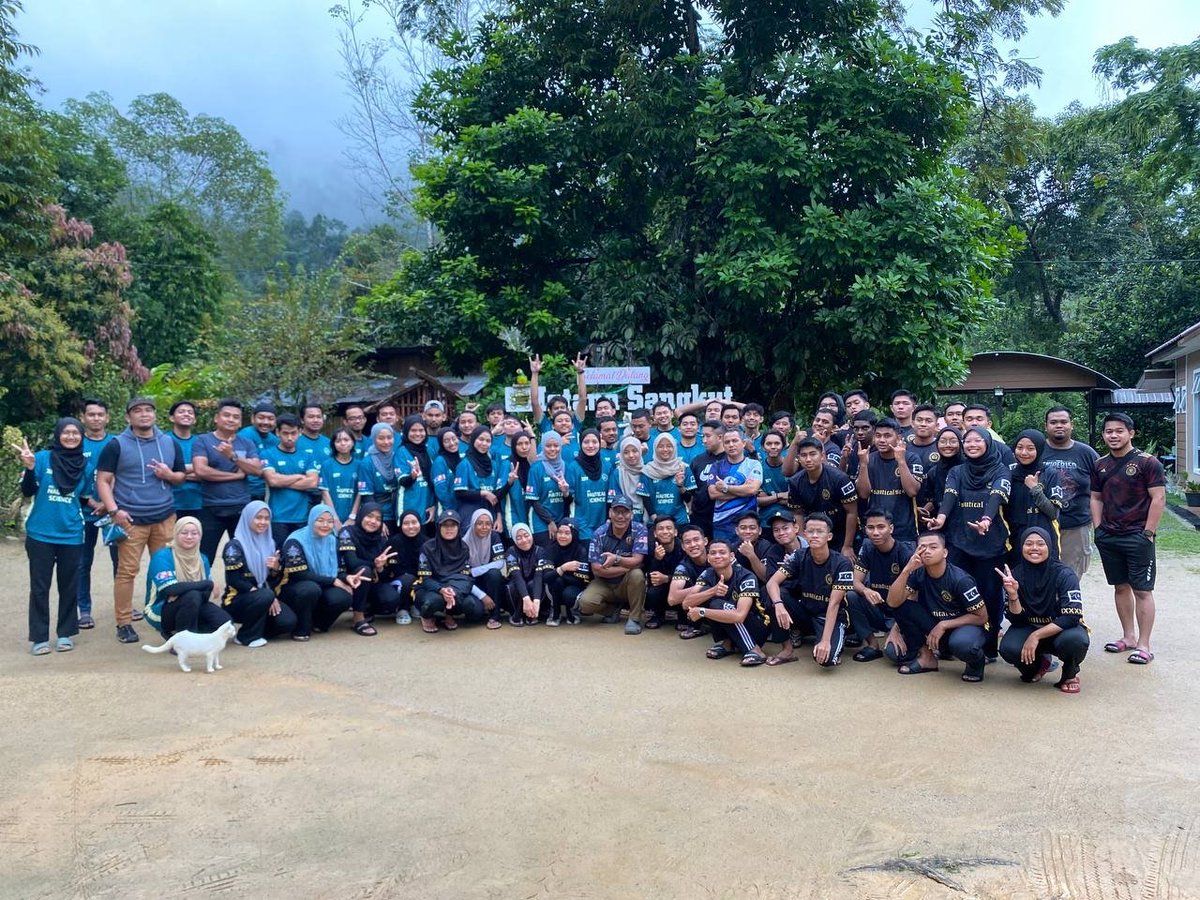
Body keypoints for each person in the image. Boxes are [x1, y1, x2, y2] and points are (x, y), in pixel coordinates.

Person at [95, 397, 186, 644]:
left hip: (165, 517)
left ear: (155, 415)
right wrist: (115, 511)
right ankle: (123, 623)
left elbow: (180, 476)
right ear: (128, 417)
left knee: (167, 571)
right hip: (131, 519)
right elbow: (103, 480)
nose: (144, 414)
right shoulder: (116, 445)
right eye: (137, 411)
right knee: (127, 572)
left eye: (148, 410)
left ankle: (166, 618)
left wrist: (170, 475)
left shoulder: (169, 442)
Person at [925, 427, 1010, 660]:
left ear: (988, 443)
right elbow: (950, 495)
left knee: (990, 597)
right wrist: (941, 518)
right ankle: (948, 644)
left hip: (990, 546)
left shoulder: (1000, 469)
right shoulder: (957, 470)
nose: (972, 445)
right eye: (968, 441)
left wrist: (986, 519)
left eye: (977, 441)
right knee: (953, 594)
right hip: (959, 542)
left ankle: (989, 648)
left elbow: (997, 495)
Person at [1092, 412, 1166, 665]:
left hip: (1138, 536)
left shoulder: (1148, 463)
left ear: (1131, 433)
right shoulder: (1100, 464)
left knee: (1142, 590)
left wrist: (1148, 532)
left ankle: (1144, 645)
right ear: (1104, 435)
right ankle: (1128, 637)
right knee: (1120, 587)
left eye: (1119, 431)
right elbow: (1096, 498)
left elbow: (1158, 498)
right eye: (1109, 431)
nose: (1113, 435)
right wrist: (1098, 528)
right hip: (1108, 536)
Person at [16, 419, 88, 654]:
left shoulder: (84, 465)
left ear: (81, 436)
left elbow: (85, 498)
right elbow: (27, 491)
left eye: (75, 433)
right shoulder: (42, 458)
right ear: (58, 435)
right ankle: (39, 638)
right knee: (39, 587)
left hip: (72, 534)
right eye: (65, 433)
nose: (70, 437)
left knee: (69, 586)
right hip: (40, 534)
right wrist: (28, 467)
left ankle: (65, 633)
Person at [886, 531, 988, 682]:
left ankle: (976, 662)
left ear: (945, 552)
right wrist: (907, 570)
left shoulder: (960, 580)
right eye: (922, 548)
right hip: (934, 627)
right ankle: (927, 657)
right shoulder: (917, 572)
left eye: (933, 547)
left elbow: (982, 617)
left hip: (965, 627)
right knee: (894, 647)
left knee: (962, 645)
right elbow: (893, 602)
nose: (927, 551)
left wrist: (944, 624)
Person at [997, 527, 1089, 693]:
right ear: (1021, 547)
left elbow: (1071, 618)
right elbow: (1017, 621)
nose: (1034, 548)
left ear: (1050, 547)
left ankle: (1070, 673)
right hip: (1029, 626)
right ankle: (1039, 665)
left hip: (1061, 629)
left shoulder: (1065, 574)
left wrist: (1036, 635)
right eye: (1029, 544)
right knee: (1009, 648)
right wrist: (1013, 595)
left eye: (1040, 544)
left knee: (1076, 640)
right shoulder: (1015, 574)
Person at [763, 513, 854, 667]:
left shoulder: (841, 563)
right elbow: (772, 582)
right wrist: (778, 605)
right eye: (810, 531)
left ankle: (832, 639)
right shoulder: (798, 556)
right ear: (804, 534)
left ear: (829, 536)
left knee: (826, 661)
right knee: (775, 595)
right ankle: (787, 650)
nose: (815, 535)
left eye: (820, 531)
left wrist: (825, 642)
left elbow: (834, 604)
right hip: (806, 613)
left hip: (830, 616)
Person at [191, 398, 263, 563]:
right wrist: (236, 475)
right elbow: (201, 470)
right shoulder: (203, 441)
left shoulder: (247, 443)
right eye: (226, 415)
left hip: (241, 507)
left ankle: (235, 589)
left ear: (240, 422)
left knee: (240, 556)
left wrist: (233, 456)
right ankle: (203, 588)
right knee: (204, 556)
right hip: (211, 507)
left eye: (236, 417)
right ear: (217, 418)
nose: (231, 419)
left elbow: (257, 470)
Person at [684, 540, 772, 667]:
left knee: (717, 605)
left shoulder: (746, 576)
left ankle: (754, 649)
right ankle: (728, 644)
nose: (717, 556)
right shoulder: (707, 574)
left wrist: (702, 612)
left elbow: (739, 615)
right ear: (708, 558)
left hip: (757, 627)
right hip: (734, 625)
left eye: (722, 552)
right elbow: (686, 603)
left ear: (731, 557)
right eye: (713, 553)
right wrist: (712, 591)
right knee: (706, 597)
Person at [221, 501, 296, 645]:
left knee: (288, 622)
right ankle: (245, 636)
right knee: (265, 595)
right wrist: (265, 596)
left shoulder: (270, 543)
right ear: (248, 518)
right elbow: (234, 580)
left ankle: (257, 629)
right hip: (236, 600)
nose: (263, 522)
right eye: (258, 517)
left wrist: (276, 568)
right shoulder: (234, 546)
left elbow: (273, 579)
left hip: (262, 596)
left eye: (267, 518)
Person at [143, 517, 231, 639]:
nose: (189, 537)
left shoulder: (202, 558)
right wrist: (205, 584)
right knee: (192, 596)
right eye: (184, 533)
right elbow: (170, 590)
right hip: (160, 609)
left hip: (193, 604)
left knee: (225, 624)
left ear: (200, 536)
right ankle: (181, 641)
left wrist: (183, 591)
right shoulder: (162, 556)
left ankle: (188, 634)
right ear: (175, 533)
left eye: (194, 533)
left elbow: (206, 594)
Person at [277, 505, 356, 640]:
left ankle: (319, 624)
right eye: (320, 520)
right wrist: (333, 581)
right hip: (293, 587)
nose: (325, 525)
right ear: (311, 520)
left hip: (321, 585)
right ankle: (301, 628)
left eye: (330, 521)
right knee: (310, 589)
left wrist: (347, 577)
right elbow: (299, 574)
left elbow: (338, 571)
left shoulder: (332, 541)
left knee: (344, 596)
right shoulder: (295, 541)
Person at [847, 509, 914, 664]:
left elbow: (913, 596)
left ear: (891, 529)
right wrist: (865, 590)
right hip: (879, 609)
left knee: (894, 656)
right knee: (851, 594)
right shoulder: (868, 549)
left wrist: (896, 629)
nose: (875, 532)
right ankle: (872, 645)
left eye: (881, 527)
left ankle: (905, 638)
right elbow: (855, 581)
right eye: (870, 528)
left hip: (902, 614)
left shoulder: (905, 553)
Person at [1042, 405, 1100, 577]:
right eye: (1053, 422)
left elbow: (1102, 489)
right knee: (1042, 575)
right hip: (1041, 524)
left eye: (1063, 422)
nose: (1059, 425)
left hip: (1076, 525)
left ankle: (1069, 605)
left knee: (1071, 576)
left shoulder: (1086, 453)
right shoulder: (1036, 450)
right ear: (1046, 426)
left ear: (1071, 425)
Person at [578, 495, 648, 634]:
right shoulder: (599, 533)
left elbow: (638, 560)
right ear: (610, 513)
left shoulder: (640, 530)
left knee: (637, 575)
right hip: (604, 582)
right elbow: (597, 570)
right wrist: (628, 566)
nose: (620, 516)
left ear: (632, 514)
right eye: (617, 512)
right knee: (585, 603)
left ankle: (634, 619)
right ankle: (612, 611)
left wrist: (616, 559)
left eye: (625, 512)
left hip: (627, 583)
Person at [76, 398, 117, 630]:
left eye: (100, 414)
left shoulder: (116, 442)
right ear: (83, 417)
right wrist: (91, 501)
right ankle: (84, 609)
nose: (96, 418)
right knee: (83, 563)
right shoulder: (74, 442)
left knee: (120, 561)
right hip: (83, 513)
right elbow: (69, 476)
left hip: (111, 512)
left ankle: (122, 605)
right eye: (91, 414)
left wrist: (107, 502)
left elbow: (121, 473)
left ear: (107, 417)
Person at [787, 437, 858, 560]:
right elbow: (797, 513)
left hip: (840, 532)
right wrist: (803, 542)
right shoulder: (795, 482)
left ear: (822, 455)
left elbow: (851, 512)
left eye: (812, 454)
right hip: (813, 534)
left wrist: (847, 546)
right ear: (798, 458)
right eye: (803, 455)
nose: (808, 459)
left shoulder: (839, 478)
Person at [337, 501, 402, 635]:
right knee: (364, 571)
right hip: (348, 581)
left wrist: (379, 568)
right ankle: (358, 618)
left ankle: (367, 607)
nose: (373, 521)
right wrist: (374, 564)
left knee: (391, 599)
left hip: (372, 581)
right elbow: (352, 562)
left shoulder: (382, 538)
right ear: (361, 516)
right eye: (369, 516)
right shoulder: (346, 532)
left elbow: (385, 575)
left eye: (378, 519)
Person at [855, 417, 923, 543]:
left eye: (887, 436)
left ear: (898, 438)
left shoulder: (912, 458)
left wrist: (901, 461)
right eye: (878, 436)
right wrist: (863, 465)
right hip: (875, 531)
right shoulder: (868, 459)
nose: (882, 440)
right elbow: (863, 494)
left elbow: (912, 491)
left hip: (905, 532)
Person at [261, 414, 321, 548]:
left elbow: (312, 482)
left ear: (300, 432)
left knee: (300, 558)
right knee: (280, 558)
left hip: (303, 517)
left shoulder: (307, 455)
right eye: (285, 433)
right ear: (277, 432)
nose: (289, 438)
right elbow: (272, 481)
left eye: (293, 433)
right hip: (278, 517)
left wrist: (282, 479)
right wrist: (299, 476)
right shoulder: (267, 454)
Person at [413, 511, 475, 633]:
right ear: (438, 527)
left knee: (469, 603)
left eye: (453, 525)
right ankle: (426, 616)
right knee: (433, 602)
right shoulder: (427, 547)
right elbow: (425, 579)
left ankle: (449, 613)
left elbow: (466, 577)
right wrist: (441, 589)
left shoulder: (464, 548)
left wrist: (452, 590)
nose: (449, 529)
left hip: (454, 587)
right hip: (431, 588)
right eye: (445, 525)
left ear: (458, 528)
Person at [1007, 429, 1063, 558]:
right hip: (1014, 537)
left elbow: (1053, 513)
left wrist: (1035, 489)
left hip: (1043, 536)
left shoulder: (1049, 473)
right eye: (1019, 448)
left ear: (1039, 449)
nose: (1024, 453)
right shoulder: (1008, 474)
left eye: (1030, 448)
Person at [708, 428, 763, 542]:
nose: (731, 445)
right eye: (727, 442)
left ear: (743, 443)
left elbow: (752, 489)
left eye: (735, 441)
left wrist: (726, 488)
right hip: (721, 523)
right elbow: (713, 493)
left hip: (747, 523)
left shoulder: (754, 464)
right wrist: (744, 489)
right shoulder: (716, 466)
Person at [637, 432, 695, 524]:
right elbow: (646, 499)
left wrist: (681, 486)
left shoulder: (683, 468)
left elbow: (689, 499)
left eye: (669, 446)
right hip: (655, 522)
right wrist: (656, 520)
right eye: (660, 446)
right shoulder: (647, 470)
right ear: (655, 448)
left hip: (680, 521)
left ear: (674, 448)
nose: (665, 449)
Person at [463, 508, 507, 628]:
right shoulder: (464, 542)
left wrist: (475, 570)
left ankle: (495, 616)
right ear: (473, 524)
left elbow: (500, 563)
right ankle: (483, 605)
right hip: (472, 584)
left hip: (489, 581)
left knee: (494, 573)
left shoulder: (494, 536)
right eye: (480, 523)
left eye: (488, 524)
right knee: (475, 615)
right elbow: (463, 575)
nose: (484, 527)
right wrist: (482, 596)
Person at [453, 426, 507, 526]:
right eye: (481, 439)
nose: (484, 444)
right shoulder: (464, 464)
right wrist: (483, 493)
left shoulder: (493, 464)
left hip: (491, 514)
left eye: (488, 441)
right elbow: (459, 493)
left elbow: (495, 495)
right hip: (470, 515)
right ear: (473, 440)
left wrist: (498, 517)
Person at [529, 352, 589, 437]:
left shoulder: (575, 423)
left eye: (562, 407)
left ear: (568, 409)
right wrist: (534, 374)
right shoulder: (545, 425)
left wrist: (580, 372)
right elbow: (534, 402)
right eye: (556, 408)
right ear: (550, 412)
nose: (560, 410)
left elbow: (582, 399)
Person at [566, 428, 611, 540]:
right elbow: (569, 499)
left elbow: (611, 496)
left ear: (600, 443)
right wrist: (565, 492)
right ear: (580, 443)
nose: (590, 445)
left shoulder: (607, 465)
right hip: (582, 526)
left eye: (594, 442)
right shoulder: (573, 467)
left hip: (604, 525)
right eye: (586, 442)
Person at [505, 523, 553, 625]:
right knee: (512, 586)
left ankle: (532, 614)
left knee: (534, 584)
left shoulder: (540, 551)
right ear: (514, 540)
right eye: (519, 538)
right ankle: (517, 614)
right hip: (518, 591)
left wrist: (536, 601)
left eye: (526, 535)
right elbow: (516, 576)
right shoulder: (511, 551)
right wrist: (526, 599)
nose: (524, 540)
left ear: (531, 535)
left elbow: (539, 576)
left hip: (535, 588)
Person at [527, 432, 571, 543]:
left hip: (561, 521)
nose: (552, 449)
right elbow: (533, 500)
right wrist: (550, 522)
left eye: (556, 446)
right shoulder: (536, 468)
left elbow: (569, 499)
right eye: (548, 446)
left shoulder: (565, 466)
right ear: (542, 446)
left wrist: (565, 492)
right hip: (541, 522)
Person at [382, 510, 425, 624]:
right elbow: (388, 571)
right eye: (406, 523)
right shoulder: (393, 542)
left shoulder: (427, 543)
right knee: (407, 579)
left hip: (420, 581)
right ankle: (402, 608)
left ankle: (415, 605)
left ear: (420, 523)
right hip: (399, 582)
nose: (411, 527)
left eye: (414, 522)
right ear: (400, 525)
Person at [669, 524, 711, 638]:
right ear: (683, 546)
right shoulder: (683, 566)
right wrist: (703, 587)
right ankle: (696, 626)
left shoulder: (717, 557)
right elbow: (672, 599)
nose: (693, 545)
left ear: (705, 541)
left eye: (696, 540)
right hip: (697, 603)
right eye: (687, 542)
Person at [545, 519, 589, 625]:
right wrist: (563, 568)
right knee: (556, 581)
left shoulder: (581, 550)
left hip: (574, 586)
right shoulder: (551, 549)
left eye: (567, 533)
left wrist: (559, 574)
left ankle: (572, 612)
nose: (562, 536)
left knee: (567, 592)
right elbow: (546, 577)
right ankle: (555, 613)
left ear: (573, 534)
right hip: (554, 586)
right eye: (560, 532)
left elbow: (583, 580)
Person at [396, 415, 437, 527]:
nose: (418, 434)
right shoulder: (402, 452)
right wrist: (413, 476)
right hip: (409, 506)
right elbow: (402, 481)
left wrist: (434, 505)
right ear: (406, 432)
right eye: (413, 430)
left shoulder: (429, 450)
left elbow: (434, 480)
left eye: (421, 430)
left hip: (428, 507)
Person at [643, 515, 683, 629]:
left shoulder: (683, 547)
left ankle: (684, 616)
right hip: (661, 587)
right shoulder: (651, 548)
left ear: (675, 532)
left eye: (669, 528)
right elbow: (650, 575)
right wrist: (657, 559)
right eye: (661, 529)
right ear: (655, 533)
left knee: (685, 585)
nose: (665, 532)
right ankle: (658, 615)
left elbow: (689, 575)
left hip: (681, 585)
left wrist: (667, 578)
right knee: (652, 591)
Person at [357, 423, 400, 525]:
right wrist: (377, 520)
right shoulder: (367, 463)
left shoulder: (397, 457)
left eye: (389, 438)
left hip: (398, 512)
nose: (386, 442)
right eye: (381, 438)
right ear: (374, 439)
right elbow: (367, 496)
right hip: (379, 514)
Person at [169, 400, 203, 521]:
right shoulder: (164, 441)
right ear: (172, 418)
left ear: (194, 419)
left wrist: (176, 474)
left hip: (199, 503)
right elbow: (161, 471)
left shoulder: (202, 442)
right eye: (181, 412)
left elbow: (207, 472)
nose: (186, 414)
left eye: (190, 412)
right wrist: (195, 468)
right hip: (170, 503)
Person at [320, 428, 361, 525]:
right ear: (333, 444)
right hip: (330, 518)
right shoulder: (327, 465)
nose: (342, 443)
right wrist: (334, 517)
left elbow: (360, 492)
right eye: (338, 441)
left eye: (346, 440)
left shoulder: (359, 465)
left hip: (352, 518)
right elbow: (325, 492)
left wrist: (352, 517)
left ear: (353, 442)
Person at [922, 426, 963, 518]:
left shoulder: (969, 467)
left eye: (953, 441)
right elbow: (933, 499)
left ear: (961, 443)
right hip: (942, 521)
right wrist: (924, 510)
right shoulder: (934, 472)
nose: (947, 445)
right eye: (943, 441)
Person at [502, 431, 535, 538]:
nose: (524, 447)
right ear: (513, 446)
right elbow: (497, 495)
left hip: (529, 518)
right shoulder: (507, 464)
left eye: (527, 443)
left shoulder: (531, 465)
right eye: (520, 444)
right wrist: (509, 482)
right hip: (513, 517)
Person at [609, 436, 648, 521]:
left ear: (640, 451)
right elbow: (615, 499)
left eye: (634, 451)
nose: (631, 455)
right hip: (623, 519)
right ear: (621, 455)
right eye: (626, 452)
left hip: (646, 518)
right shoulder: (617, 473)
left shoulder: (647, 471)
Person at [756, 431, 789, 524]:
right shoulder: (758, 468)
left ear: (783, 446)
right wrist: (780, 496)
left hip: (789, 520)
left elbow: (792, 499)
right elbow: (758, 501)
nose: (773, 446)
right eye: (769, 444)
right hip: (765, 521)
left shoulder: (791, 467)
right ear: (762, 447)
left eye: (777, 443)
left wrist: (769, 498)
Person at [430, 428, 461, 515]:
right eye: (446, 441)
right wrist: (451, 510)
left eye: (454, 439)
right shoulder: (440, 461)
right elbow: (441, 491)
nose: (452, 443)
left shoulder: (460, 459)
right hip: (446, 511)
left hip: (461, 509)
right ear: (441, 444)